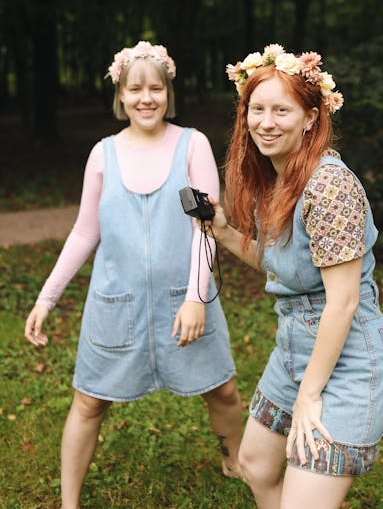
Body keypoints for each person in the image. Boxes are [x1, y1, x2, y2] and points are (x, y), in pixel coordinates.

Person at [25, 40, 243, 509]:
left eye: (156, 88)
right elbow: (85, 232)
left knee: (222, 392)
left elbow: (206, 227)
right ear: (120, 95)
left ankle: (235, 459)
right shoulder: (103, 154)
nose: (147, 98)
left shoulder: (192, 145)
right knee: (89, 402)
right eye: (135, 89)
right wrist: (47, 298)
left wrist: (195, 298)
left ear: (169, 92)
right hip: (115, 306)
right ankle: (69, 502)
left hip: (183, 298)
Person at [205, 44, 383, 509]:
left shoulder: (329, 185)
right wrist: (224, 232)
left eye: (281, 110)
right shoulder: (276, 179)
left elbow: (343, 301)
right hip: (294, 349)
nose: (266, 122)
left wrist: (309, 396)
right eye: (257, 110)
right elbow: (284, 268)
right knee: (255, 463)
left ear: (311, 117)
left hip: (350, 360)